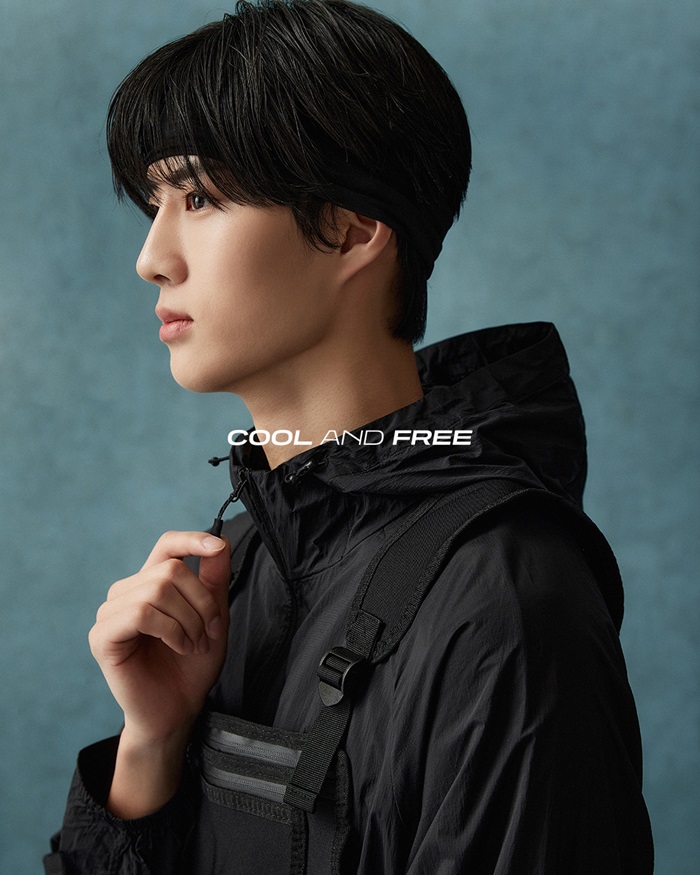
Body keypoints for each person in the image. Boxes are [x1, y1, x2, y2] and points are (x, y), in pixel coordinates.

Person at [45, 1, 654, 872]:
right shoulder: (237, 567)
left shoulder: (507, 600)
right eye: (155, 204)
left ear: (353, 229)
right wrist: (152, 743)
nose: (151, 257)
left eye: (201, 197)